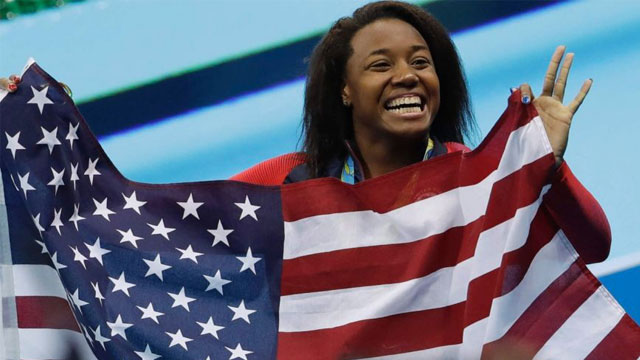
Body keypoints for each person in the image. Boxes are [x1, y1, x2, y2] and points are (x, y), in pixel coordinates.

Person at [1, 1, 610, 263]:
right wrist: (52, 131)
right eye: (381, 64)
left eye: (422, 62)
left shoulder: (484, 171)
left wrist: (546, 167)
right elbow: (150, 223)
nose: (408, 77)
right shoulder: (287, 183)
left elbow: (595, 246)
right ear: (344, 90)